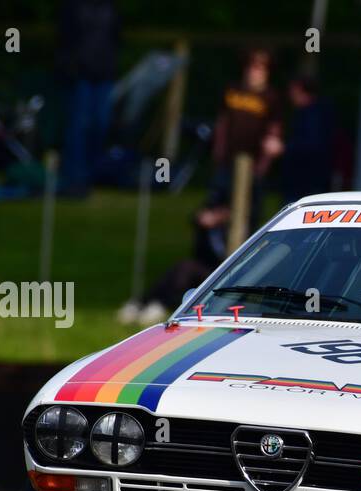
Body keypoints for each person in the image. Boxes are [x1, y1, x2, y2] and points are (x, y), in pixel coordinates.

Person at [118, 187, 230, 323]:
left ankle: (160, 304)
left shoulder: (232, 230)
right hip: (203, 267)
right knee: (181, 269)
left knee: (185, 268)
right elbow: (194, 219)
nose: (213, 215)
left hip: (222, 272)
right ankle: (144, 303)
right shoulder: (207, 230)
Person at [212, 48, 283, 230]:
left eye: (260, 68)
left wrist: (263, 165)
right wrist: (218, 149)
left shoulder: (271, 97)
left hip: (254, 161)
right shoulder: (233, 90)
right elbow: (222, 122)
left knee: (250, 208)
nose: (255, 72)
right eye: (252, 67)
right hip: (229, 159)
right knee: (219, 202)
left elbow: (274, 131)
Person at [57, 0, 120, 196]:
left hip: (104, 74)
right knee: (78, 127)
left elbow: (116, 36)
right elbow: (64, 38)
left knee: (100, 124)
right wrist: (70, 67)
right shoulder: (72, 6)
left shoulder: (111, 6)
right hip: (79, 75)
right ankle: (75, 178)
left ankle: (92, 174)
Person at [279, 75, 335, 203]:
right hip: (303, 181)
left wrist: (285, 148)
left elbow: (314, 145)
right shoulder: (309, 112)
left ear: (300, 90)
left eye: (292, 90)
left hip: (307, 182)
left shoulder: (315, 115)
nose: (289, 94)